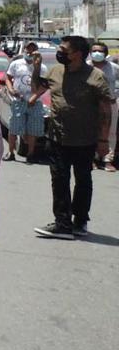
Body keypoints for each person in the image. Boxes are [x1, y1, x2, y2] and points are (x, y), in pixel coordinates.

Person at [34, 35, 113, 239]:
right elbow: (38, 89)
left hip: (85, 140)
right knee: (59, 180)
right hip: (57, 137)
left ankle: (80, 221)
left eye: (63, 49)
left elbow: (106, 109)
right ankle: (62, 223)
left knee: (83, 180)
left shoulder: (95, 76)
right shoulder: (55, 71)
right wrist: (36, 67)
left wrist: (104, 141)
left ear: (77, 54)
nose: (59, 53)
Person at [3, 42, 49, 163]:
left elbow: (44, 85)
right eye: (28, 50)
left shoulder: (42, 68)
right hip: (19, 100)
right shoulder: (16, 64)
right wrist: (11, 89)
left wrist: (34, 97)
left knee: (33, 129)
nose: (30, 53)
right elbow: (8, 78)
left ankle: (31, 154)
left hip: (35, 102)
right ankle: (11, 152)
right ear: (24, 50)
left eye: (33, 51)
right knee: (14, 127)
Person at [89, 42, 118, 171]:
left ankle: (107, 160)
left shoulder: (114, 68)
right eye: (94, 50)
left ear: (105, 54)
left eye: (100, 51)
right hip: (90, 105)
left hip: (110, 104)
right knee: (90, 131)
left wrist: (115, 95)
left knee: (110, 133)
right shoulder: (85, 67)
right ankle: (92, 158)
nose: (96, 53)